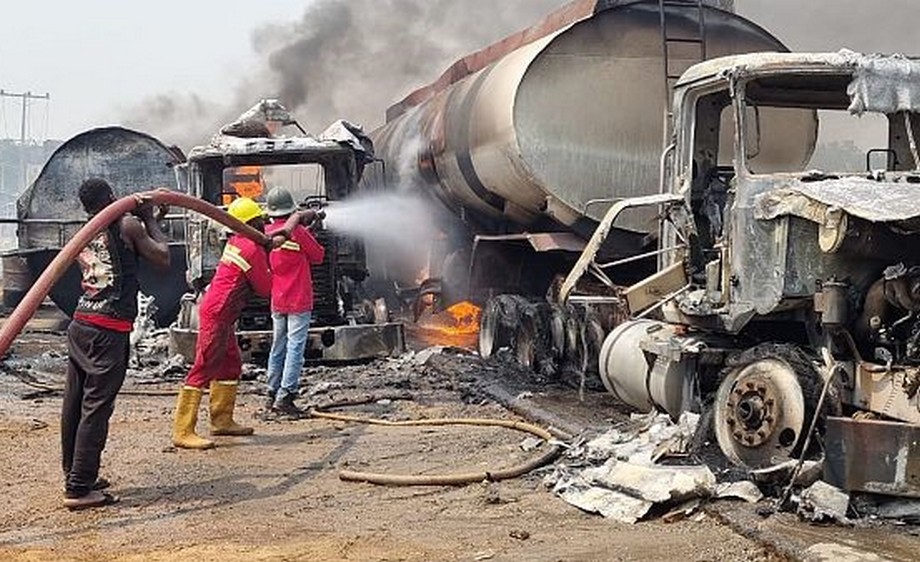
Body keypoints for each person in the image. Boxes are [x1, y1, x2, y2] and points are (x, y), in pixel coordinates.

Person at [62, 178, 170, 510]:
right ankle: (80, 488)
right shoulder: (129, 224)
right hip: (108, 330)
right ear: (111, 196)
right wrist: (149, 219)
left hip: (81, 322)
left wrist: (151, 220)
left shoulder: (84, 229)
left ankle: (76, 473)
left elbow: (121, 250)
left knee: (76, 403)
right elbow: (163, 257)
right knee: (96, 407)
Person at [172, 197, 279, 450]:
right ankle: (183, 430)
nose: (263, 223)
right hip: (218, 313)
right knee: (204, 367)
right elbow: (266, 289)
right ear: (250, 223)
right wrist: (275, 257)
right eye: (259, 220)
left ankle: (222, 420)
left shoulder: (238, 241)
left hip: (223, 313)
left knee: (230, 364)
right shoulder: (251, 248)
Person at [264, 187, 325, 416]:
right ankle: (286, 396)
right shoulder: (297, 232)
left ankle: (271, 393)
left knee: (277, 346)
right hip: (299, 298)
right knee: (295, 348)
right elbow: (318, 256)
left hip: (277, 299)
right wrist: (311, 233)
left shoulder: (268, 232)